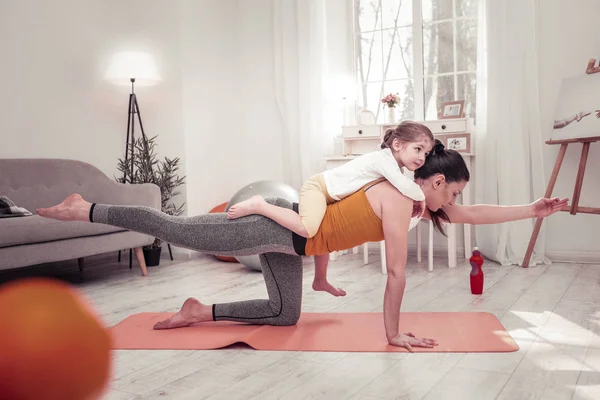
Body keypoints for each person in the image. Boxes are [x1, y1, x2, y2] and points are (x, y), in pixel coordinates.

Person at [36, 140, 568, 351]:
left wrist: (532, 208)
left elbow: (474, 213)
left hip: (294, 245)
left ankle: (202, 309)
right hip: (274, 228)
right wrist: (392, 334)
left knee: (284, 315)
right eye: (451, 190)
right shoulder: (393, 197)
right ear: (432, 184)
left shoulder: (417, 202)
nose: (454, 201)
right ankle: (86, 206)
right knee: (175, 228)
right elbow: (396, 274)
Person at [227, 120, 435, 297]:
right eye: (418, 149)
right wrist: (421, 197)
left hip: (332, 194)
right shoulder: (384, 160)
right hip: (318, 188)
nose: (421, 158)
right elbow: (405, 186)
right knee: (307, 228)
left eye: (425, 153)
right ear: (397, 144)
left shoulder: (394, 167)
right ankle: (260, 205)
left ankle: (320, 280)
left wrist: (417, 202)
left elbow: (404, 194)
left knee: (326, 235)